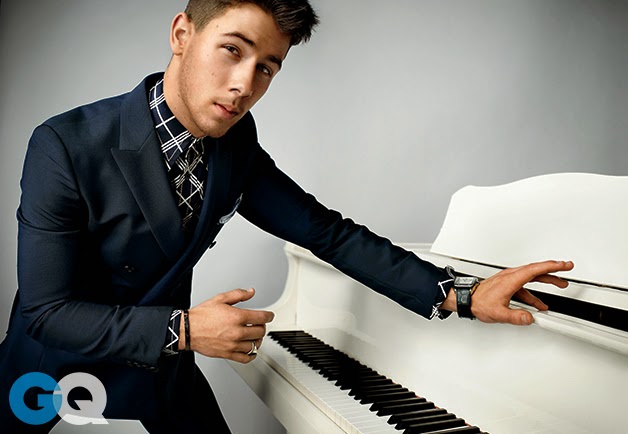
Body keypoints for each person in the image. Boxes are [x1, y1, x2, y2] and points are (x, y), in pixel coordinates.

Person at [0, 0, 574, 432]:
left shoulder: (235, 142)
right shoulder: (64, 144)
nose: (244, 86)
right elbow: (48, 312)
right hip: (56, 364)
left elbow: (326, 232)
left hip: (160, 364)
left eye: (267, 67)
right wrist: (183, 330)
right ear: (182, 34)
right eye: (233, 50)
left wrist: (461, 294)